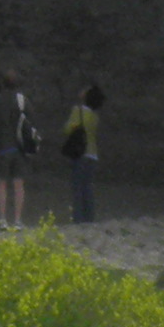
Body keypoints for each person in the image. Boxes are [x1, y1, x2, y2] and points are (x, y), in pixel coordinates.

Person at [0, 82, 38, 232]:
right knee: (18, 185)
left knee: (1, 184)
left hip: (2, 148)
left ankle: (2, 220)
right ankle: (18, 220)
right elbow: (31, 122)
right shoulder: (22, 100)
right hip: (19, 148)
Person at [59, 80, 105, 226]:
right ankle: (89, 218)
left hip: (80, 153)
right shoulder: (95, 115)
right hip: (93, 154)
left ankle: (78, 219)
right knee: (88, 187)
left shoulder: (77, 111)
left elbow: (68, 129)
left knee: (77, 187)